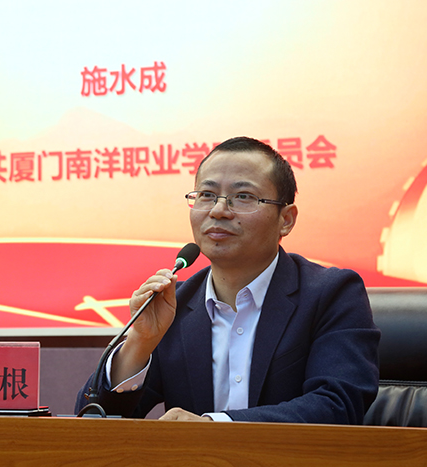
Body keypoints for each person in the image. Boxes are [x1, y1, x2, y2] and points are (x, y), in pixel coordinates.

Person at [75, 136, 380, 423]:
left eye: (243, 196)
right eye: (207, 195)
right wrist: (140, 343)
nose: (219, 210)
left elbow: (338, 405)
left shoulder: (331, 293)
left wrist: (213, 426)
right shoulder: (174, 305)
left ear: (286, 219)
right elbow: (94, 419)